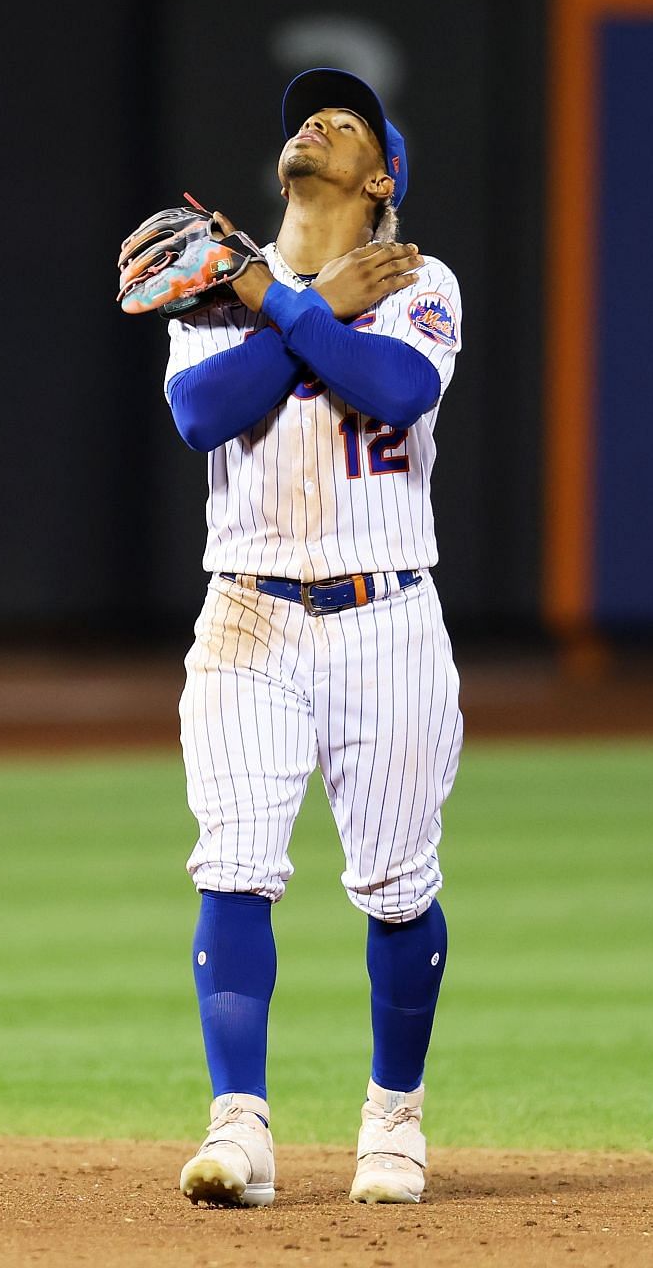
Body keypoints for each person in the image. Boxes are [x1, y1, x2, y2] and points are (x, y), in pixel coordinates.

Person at [164, 68, 464, 1208]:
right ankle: (238, 1123)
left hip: (387, 616)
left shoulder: (419, 281)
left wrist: (296, 305)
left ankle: (394, 1115)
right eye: (308, 114)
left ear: (381, 178)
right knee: (234, 862)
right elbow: (203, 413)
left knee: (397, 884)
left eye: (348, 121)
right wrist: (304, 302)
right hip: (247, 610)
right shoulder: (212, 280)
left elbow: (390, 386)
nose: (318, 123)